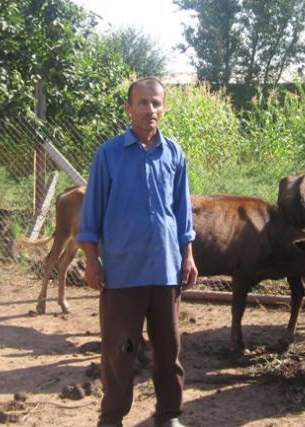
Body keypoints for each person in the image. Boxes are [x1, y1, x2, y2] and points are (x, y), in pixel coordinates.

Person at [76, 76, 198, 427]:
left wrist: (188, 255)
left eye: (156, 103)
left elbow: (182, 213)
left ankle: (169, 415)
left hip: (165, 269)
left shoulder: (174, 153)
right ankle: (112, 417)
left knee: (169, 348)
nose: (150, 110)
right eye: (143, 103)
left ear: (164, 108)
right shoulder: (109, 154)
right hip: (123, 270)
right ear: (129, 108)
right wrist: (91, 261)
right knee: (120, 349)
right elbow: (91, 214)